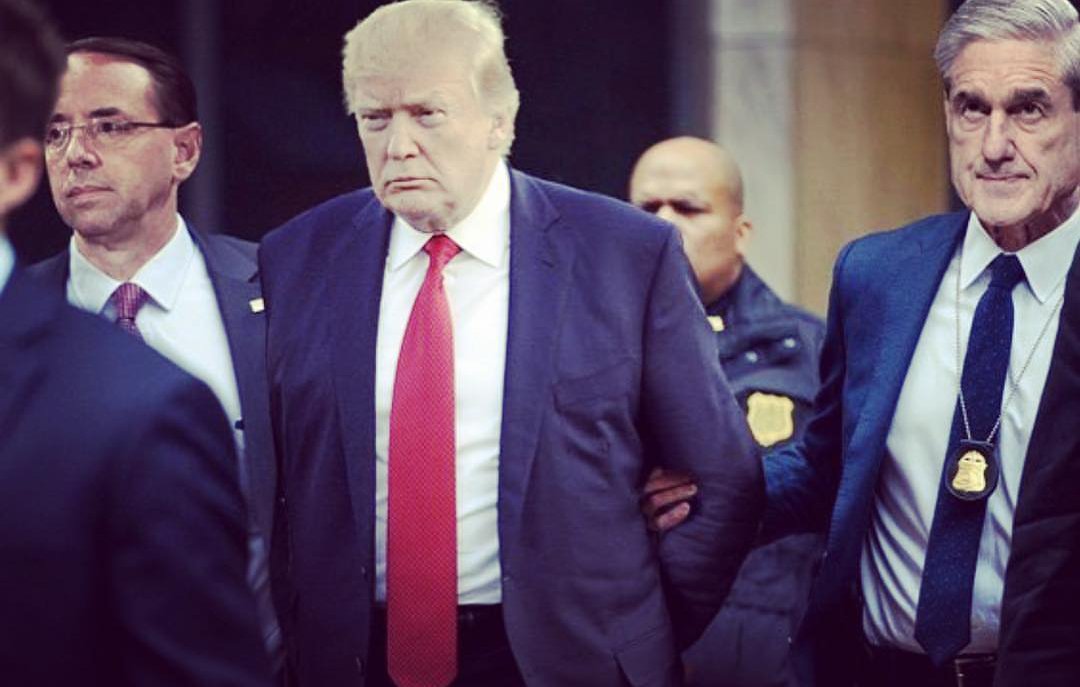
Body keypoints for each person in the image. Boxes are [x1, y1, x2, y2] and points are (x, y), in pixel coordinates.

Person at [258, 1, 762, 685]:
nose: (399, 144)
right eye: (375, 118)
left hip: (569, 659)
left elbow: (724, 477)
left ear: (500, 120)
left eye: (427, 113)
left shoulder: (623, 252)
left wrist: (642, 630)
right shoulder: (299, 256)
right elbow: (280, 482)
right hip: (356, 657)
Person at [743, 1, 1080, 685]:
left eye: (1028, 110)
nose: (993, 145)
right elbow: (828, 466)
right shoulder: (877, 274)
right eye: (971, 108)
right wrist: (705, 487)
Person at [0, 1, 271, 684]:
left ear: (186, 150)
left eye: (110, 126)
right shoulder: (18, 314)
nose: (78, 153)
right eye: (56, 131)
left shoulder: (278, 293)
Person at [630, 137, 824, 687]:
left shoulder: (811, 348)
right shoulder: (589, 344)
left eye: (689, 208)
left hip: (765, 649)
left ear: (741, 233)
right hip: (629, 641)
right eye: (647, 209)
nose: (664, 225)